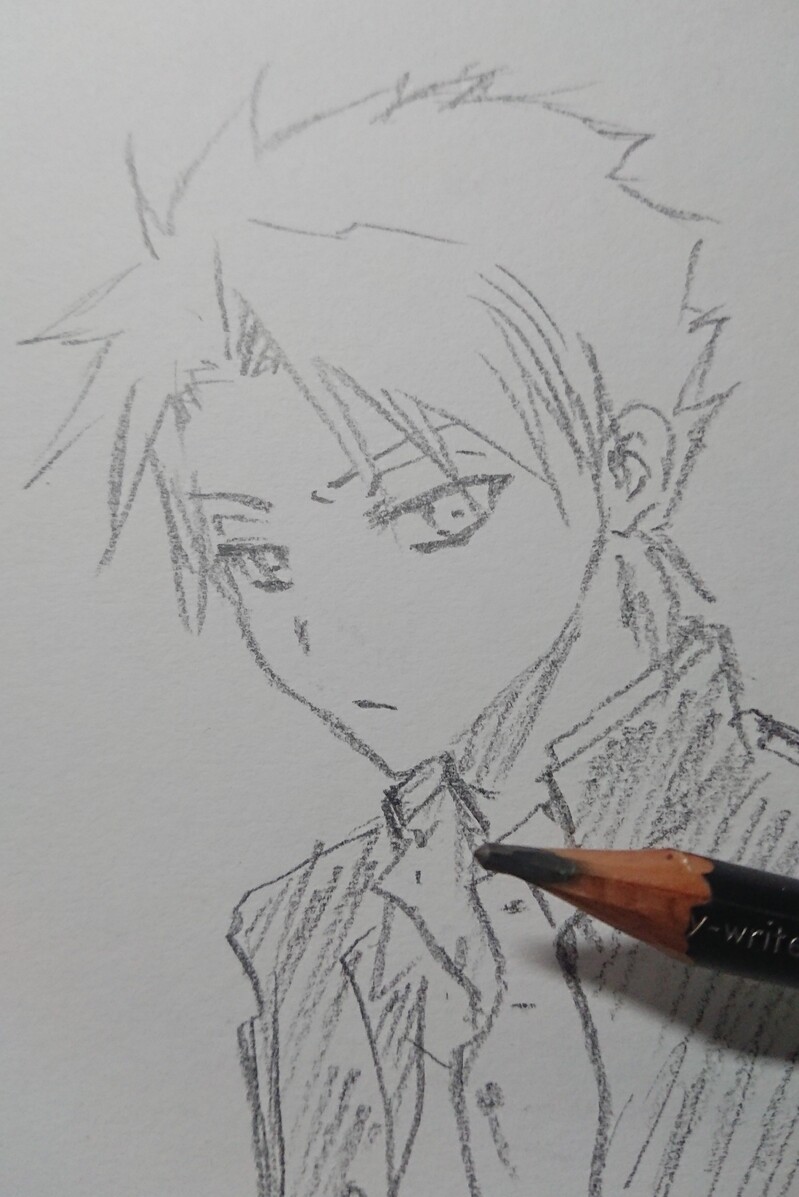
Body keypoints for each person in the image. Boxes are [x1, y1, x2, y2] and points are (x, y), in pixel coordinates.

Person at [27, 61, 799, 1196]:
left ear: (626, 468)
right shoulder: (300, 933)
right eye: (257, 557)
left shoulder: (773, 826)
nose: (329, 630)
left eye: (435, 508)